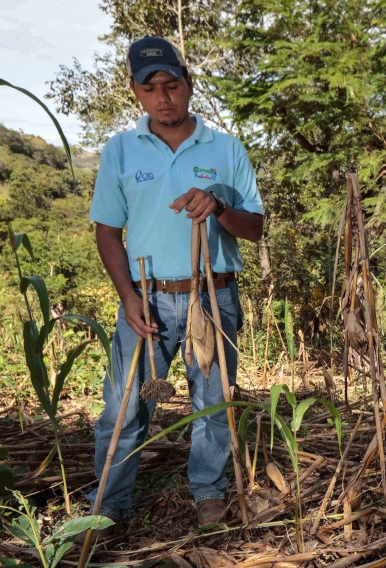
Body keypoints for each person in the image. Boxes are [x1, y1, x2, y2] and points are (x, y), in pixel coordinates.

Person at [87, 36, 264, 526]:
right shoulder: (120, 151)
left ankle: (209, 491)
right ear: (135, 92)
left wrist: (220, 206)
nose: (163, 96)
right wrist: (127, 297)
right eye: (150, 88)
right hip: (147, 298)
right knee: (122, 409)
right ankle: (109, 505)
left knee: (213, 403)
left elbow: (255, 229)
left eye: (171, 84)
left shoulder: (226, 149)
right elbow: (107, 231)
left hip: (214, 296)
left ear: (189, 84)